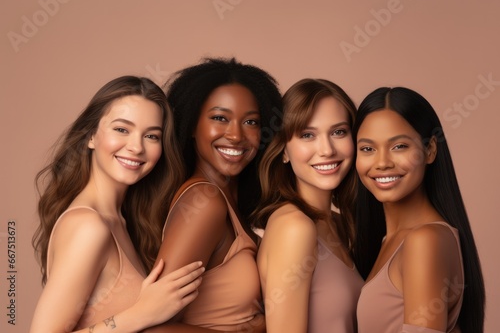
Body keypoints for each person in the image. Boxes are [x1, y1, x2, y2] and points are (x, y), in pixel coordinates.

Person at [30, 76, 205, 333]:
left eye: (151, 136)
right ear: (91, 136)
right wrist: (141, 313)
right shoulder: (88, 226)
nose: (136, 147)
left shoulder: (123, 221)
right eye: (122, 129)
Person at [153, 58, 283, 331]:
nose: (236, 135)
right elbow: (153, 326)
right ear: (191, 125)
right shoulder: (205, 202)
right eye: (220, 118)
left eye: (251, 122)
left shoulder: (230, 203)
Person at [353, 87, 485, 333]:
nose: (382, 163)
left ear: (430, 150)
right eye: (368, 149)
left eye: (399, 146)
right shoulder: (389, 241)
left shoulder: (424, 241)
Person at [251, 78, 363, 333]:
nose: (326, 149)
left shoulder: (340, 224)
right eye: (307, 135)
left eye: (339, 132)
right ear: (284, 151)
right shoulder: (294, 227)